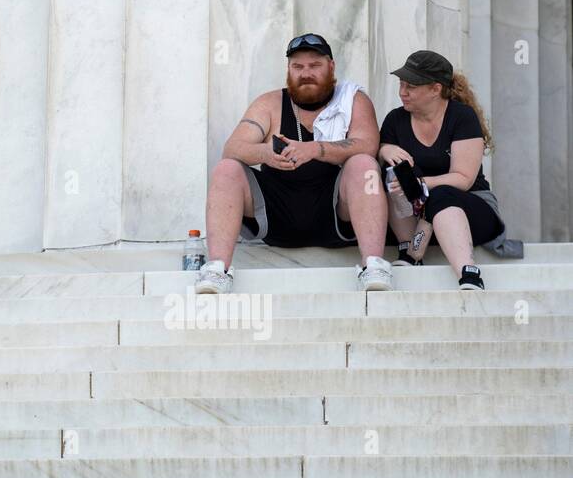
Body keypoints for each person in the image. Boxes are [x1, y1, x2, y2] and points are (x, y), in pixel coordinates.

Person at [197, 33, 392, 294]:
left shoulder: (353, 100)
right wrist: (266, 153)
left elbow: (368, 144)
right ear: (289, 70)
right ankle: (217, 269)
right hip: (276, 215)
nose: (306, 73)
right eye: (298, 67)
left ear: (331, 67)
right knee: (226, 168)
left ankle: (374, 266)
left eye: (314, 66)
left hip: (335, 215)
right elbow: (232, 148)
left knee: (365, 165)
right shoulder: (269, 103)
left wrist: (315, 149)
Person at [379, 50, 506, 291]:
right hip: (418, 220)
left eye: (411, 86)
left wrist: (422, 184)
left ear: (435, 89)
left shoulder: (462, 117)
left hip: (472, 213)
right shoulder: (395, 120)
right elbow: (382, 152)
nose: (402, 92)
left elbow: (464, 179)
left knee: (442, 193)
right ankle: (409, 249)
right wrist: (384, 150)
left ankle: (468, 273)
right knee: (392, 178)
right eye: (401, 84)